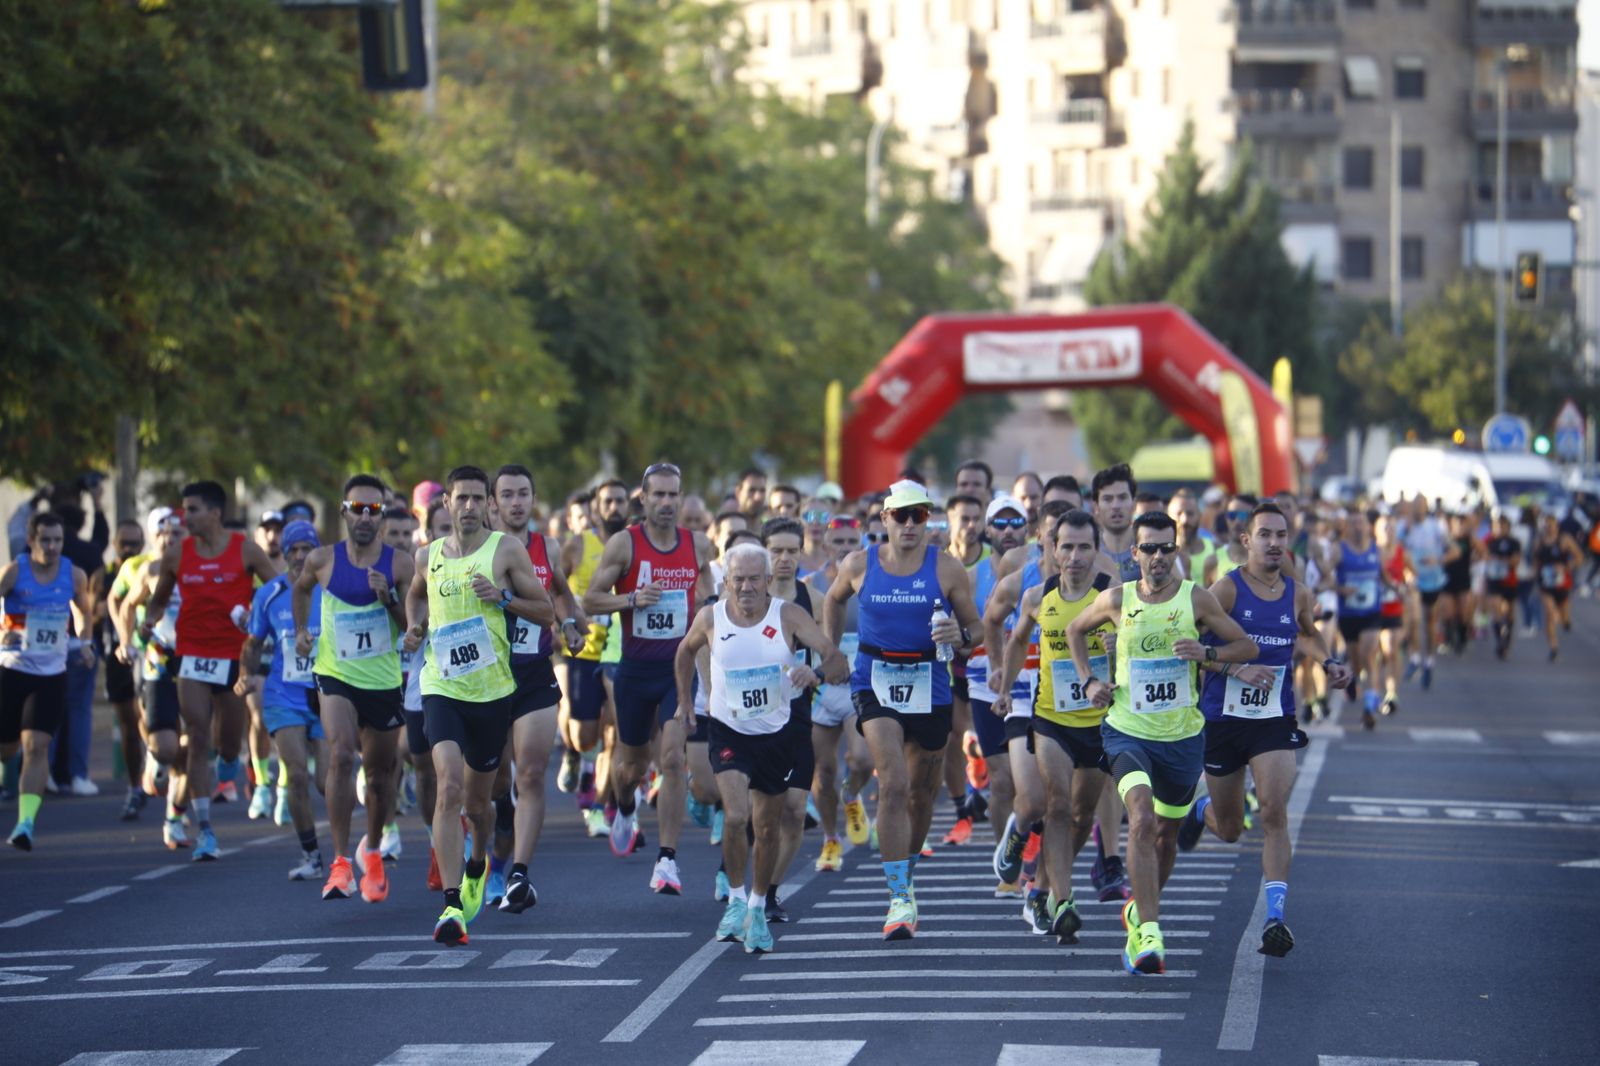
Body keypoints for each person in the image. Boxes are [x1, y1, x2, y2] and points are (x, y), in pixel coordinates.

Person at [1065, 510, 1259, 975]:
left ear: (1176, 551)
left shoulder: (1197, 600)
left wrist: (1206, 653)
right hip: (1127, 729)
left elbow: (1247, 647)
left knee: (1166, 840)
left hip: (1183, 736)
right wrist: (1089, 680)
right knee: (1141, 818)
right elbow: (1075, 630)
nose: (1157, 557)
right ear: (1134, 554)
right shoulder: (1117, 599)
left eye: (1165, 548)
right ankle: (1148, 934)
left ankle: (1139, 908)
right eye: (1148, 548)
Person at [1178, 503, 1350, 959]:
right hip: (1223, 720)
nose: (1274, 543)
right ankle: (1201, 813)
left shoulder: (1297, 592)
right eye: (1265, 535)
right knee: (1232, 829)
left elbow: (1306, 633)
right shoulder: (1226, 591)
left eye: (1281, 535)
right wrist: (1235, 669)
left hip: (1273, 720)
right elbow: (1193, 646)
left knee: (1274, 811)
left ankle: (1276, 917)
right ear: (1247, 541)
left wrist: (1328, 661)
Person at [402, 465, 556, 945]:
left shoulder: (504, 550)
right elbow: (415, 597)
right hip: (441, 686)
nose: (467, 506)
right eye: (460, 498)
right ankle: (451, 905)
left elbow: (546, 610)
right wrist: (414, 627)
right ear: (445, 503)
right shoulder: (427, 555)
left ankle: (477, 861)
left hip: (492, 692)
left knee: (479, 802)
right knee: (447, 787)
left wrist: (504, 597)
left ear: (486, 504)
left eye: (475, 498)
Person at [823, 479, 981, 940]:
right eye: (902, 515)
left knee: (920, 795)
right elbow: (833, 600)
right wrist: (832, 651)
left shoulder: (946, 568)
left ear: (928, 520)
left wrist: (962, 638)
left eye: (920, 515)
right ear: (885, 519)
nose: (911, 524)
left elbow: (977, 627)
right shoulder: (859, 564)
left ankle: (906, 876)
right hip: (875, 681)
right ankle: (897, 897)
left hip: (930, 683)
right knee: (893, 784)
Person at [676, 542, 846, 953]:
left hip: (776, 734)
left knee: (767, 827)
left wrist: (815, 672)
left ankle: (756, 907)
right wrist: (686, 701)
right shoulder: (710, 616)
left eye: (755, 579)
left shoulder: (788, 615)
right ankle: (734, 901)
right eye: (739, 579)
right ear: (726, 582)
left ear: (769, 581)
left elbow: (837, 661)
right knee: (736, 816)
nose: (747, 587)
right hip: (728, 731)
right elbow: (684, 651)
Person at [581, 462, 714, 893]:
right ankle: (623, 806)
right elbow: (591, 599)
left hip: (679, 670)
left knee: (672, 760)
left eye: (673, 495)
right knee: (631, 765)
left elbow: (711, 601)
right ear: (643, 497)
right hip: (635, 671)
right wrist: (632, 599)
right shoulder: (625, 544)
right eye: (657, 494)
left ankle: (667, 860)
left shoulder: (697, 546)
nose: (666, 503)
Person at [139, 481, 280, 860]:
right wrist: (148, 622)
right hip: (191, 655)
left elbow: (278, 588)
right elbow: (158, 600)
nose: (186, 516)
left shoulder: (245, 550)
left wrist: (259, 616)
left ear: (215, 513)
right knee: (197, 735)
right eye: (185, 508)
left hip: (235, 658)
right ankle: (205, 831)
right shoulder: (176, 554)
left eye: (193, 509)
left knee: (228, 743)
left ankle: (232, 764)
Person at [993, 508, 1112, 942]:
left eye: (1084, 547)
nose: (1075, 556)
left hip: (1099, 723)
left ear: (1096, 551)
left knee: (1081, 815)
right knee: (1057, 804)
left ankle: (1044, 885)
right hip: (1051, 719)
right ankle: (1063, 901)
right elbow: (1017, 638)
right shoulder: (1036, 596)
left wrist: (1118, 651)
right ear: (1053, 549)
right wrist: (1004, 689)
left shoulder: (1111, 595)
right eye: (1067, 546)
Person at [293, 474, 414, 902]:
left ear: (382, 515)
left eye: (374, 510)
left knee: (381, 777)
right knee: (341, 754)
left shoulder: (399, 565)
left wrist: (390, 601)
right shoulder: (322, 560)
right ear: (344, 512)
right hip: (335, 674)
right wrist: (301, 631)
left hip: (381, 681)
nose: (365, 517)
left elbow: (416, 628)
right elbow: (301, 589)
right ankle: (341, 862)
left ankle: (374, 849)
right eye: (357, 508)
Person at [491, 464, 588, 913]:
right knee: (490, 788)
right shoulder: (478, 551)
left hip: (533, 674)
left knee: (530, 774)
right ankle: (491, 849)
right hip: (484, 680)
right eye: (507, 494)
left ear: (532, 500)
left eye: (523, 494)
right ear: (493, 503)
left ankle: (519, 875)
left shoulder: (545, 546)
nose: (516, 502)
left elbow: (561, 591)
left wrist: (571, 622)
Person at [239, 521, 328, 880]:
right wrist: (246, 674)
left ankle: (347, 852)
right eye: (293, 550)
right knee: (295, 775)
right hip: (283, 694)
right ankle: (311, 855)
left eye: (307, 549)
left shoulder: (330, 589)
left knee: (327, 780)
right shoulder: (269, 594)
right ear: (285, 554)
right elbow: (253, 641)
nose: (300, 556)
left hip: (327, 693)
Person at [1, 513, 96, 850]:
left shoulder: (74, 575)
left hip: (50, 674)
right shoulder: (15, 571)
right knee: (7, 749)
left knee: (37, 747)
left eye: (58, 540)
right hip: (12, 671)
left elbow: (83, 611)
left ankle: (25, 824)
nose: (53, 547)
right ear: (32, 541)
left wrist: (84, 644)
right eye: (46, 540)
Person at [561, 478, 629, 838]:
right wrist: (571, 621)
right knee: (586, 736)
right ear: (596, 508)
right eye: (608, 502)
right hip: (584, 652)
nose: (615, 507)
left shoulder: (633, 544)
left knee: (615, 734)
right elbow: (557, 588)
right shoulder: (578, 545)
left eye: (621, 500)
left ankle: (602, 806)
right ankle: (577, 755)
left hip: (621, 652)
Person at [806, 515, 874, 870]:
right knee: (823, 772)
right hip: (822, 689)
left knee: (862, 759)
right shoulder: (811, 584)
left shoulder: (872, 581)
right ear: (826, 545)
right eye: (840, 542)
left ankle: (852, 794)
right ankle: (830, 840)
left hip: (860, 686)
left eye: (853, 542)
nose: (846, 548)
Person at [100, 519, 149, 819]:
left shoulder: (149, 569)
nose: (130, 548)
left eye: (135, 543)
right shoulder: (104, 577)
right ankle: (135, 787)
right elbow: (92, 608)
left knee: (148, 720)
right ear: (115, 545)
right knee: (129, 725)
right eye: (124, 543)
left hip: (149, 654)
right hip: (116, 657)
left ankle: (155, 770)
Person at [1329, 509, 1386, 729]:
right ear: (1347, 527)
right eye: (1353, 523)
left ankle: (1370, 707)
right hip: (1349, 615)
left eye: (1361, 523)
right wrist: (1340, 589)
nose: (1358, 527)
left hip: (1372, 613)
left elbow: (1385, 577)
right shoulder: (1339, 550)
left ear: (1368, 526)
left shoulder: (1376, 550)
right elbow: (1325, 578)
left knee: (1369, 653)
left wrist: (1399, 587)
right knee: (1358, 661)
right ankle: (1354, 677)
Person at [1532, 512, 1582, 661]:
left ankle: (1566, 621)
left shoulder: (1564, 540)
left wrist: (1566, 567)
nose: (1548, 528)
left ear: (1556, 526)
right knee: (1549, 612)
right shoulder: (1539, 540)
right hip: (1545, 582)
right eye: (1546, 525)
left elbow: (1579, 557)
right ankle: (1554, 647)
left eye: (1551, 525)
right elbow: (1536, 559)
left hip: (1562, 583)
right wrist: (1535, 577)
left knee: (1563, 614)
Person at [1484, 513, 1522, 660]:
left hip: (1509, 580)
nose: (1500, 528)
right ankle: (1499, 640)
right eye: (1498, 525)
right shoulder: (1490, 541)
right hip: (1494, 580)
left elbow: (1516, 560)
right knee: (1496, 608)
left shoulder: (1514, 542)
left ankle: (1507, 639)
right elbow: (1483, 554)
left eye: (1503, 526)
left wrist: (1501, 560)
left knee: (1509, 613)